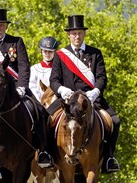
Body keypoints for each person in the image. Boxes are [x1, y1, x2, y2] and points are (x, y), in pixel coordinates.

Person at [0, 8, 53, 170]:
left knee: (39, 110)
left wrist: (22, 87)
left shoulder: (16, 42)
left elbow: (24, 67)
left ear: (6, 26)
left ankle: (44, 150)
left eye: (1, 25)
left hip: (14, 88)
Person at [49, 15, 120, 173]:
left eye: (79, 33)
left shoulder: (95, 54)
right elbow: (54, 80)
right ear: (68, 35)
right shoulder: (61, 55)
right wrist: (63, 90)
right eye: (73, 33)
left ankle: (109, 157)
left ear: (84, 34)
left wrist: (95, 92)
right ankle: (48, 154)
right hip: (68, 100)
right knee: (44, 118)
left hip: (91, 100)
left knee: (114, 121)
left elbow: (102, 78)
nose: (77, 36)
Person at [30, 36, 60, 102]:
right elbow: (32, 87)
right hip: (38, 103)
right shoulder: (33, 69)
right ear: (41, 51)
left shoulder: (59, 69)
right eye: (45, 51)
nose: (47, 54)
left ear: (55, 52)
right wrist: (40, 101)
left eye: (50, 52)